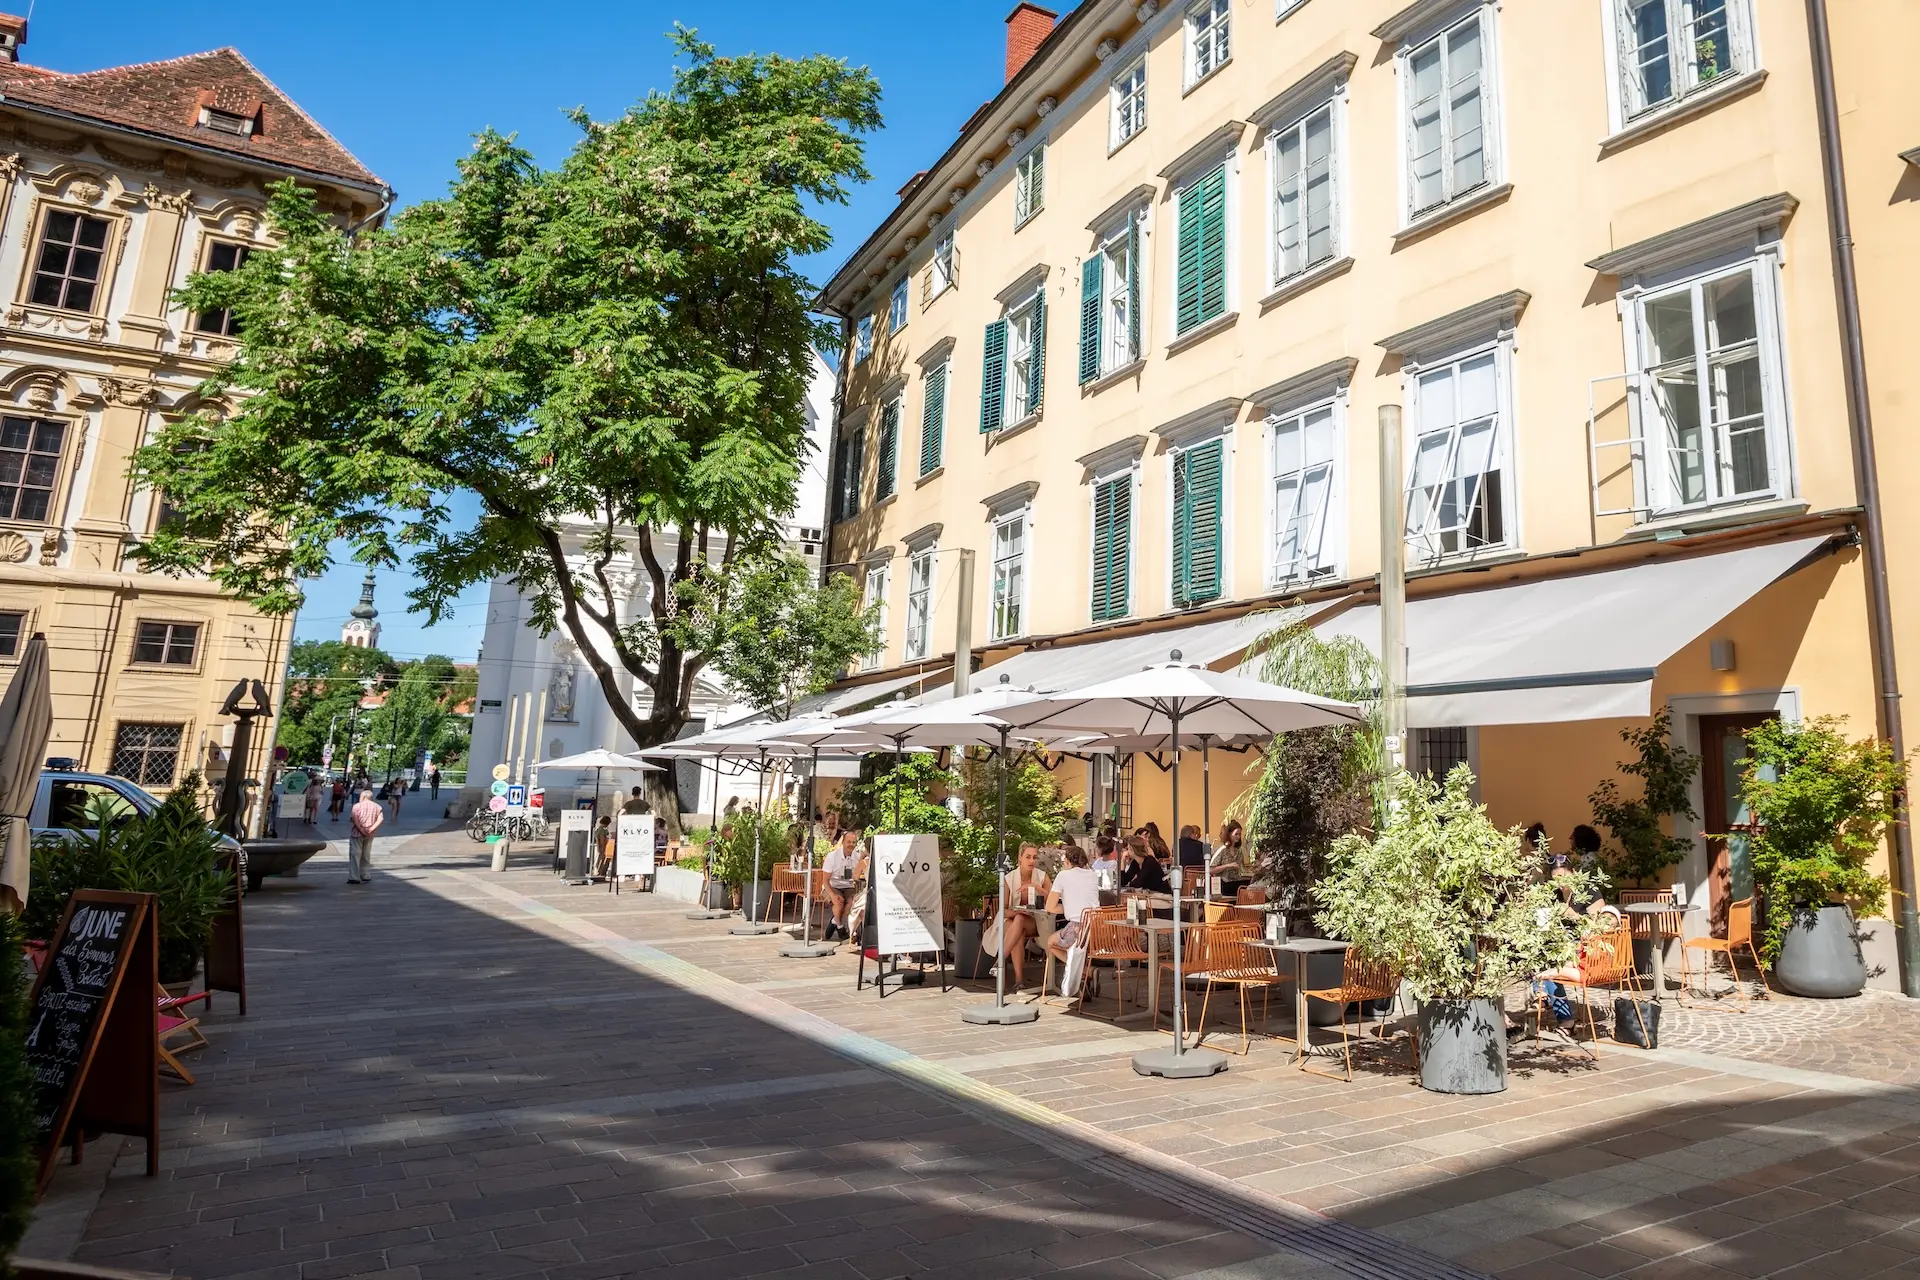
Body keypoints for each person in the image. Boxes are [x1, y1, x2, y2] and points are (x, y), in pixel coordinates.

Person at [1042, 848, 1102, 991]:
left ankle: (1086, 972)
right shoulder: (1093, 875)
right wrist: (1072, 905)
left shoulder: (1063, 876)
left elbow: (1050, 907)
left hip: (1078, 929)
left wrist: (1068, 907)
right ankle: (1084, 979)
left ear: (1067, 862)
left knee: (1050, 943)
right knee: (1079, 950)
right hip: (1098, 929)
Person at [993, 844, 1051, 989]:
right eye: (1028, 857)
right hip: (1012, 918)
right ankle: (1019, 981)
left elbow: (1053, 900)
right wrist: (1018, 912)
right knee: (1017, 927)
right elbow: (1003, 910)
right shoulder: (1009, 878)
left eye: (1034, 857)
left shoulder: (1042, 876)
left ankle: (1000, 963)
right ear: (1020, 858)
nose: (1032, 861)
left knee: (1018, 924)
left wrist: (1037, 887)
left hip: (1036, 921)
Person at [822, 828, 865, 942]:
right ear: (843, 842)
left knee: (852, 902)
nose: (851, 845)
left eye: (853, 842)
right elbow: (825, 880)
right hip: (832, 885)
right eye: (849, 842)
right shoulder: (832, 856)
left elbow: (860, 875)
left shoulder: (857, 857)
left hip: (849, 886)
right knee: (838, 902)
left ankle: (835, 921)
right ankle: (840, 927)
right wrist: (832, 895)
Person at [348, 788, 383, 884]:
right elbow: (380, 819)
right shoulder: (377, 807)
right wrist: (371, 829)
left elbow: (354, 819)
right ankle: (365, 874)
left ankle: (354, 876)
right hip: (370, 833)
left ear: (363, 797)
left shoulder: (357, 806)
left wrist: (361, 829)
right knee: (366, 854)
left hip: (357, 833)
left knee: (355, 854)